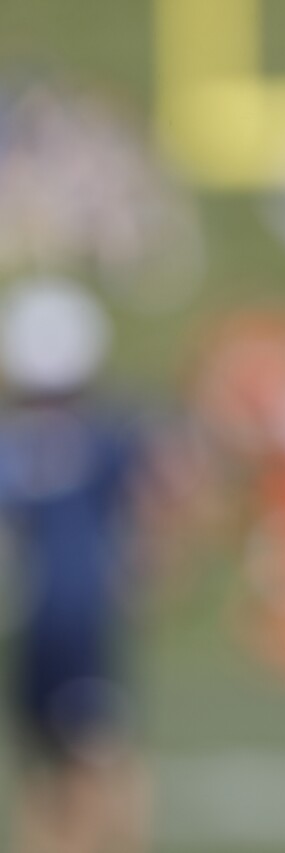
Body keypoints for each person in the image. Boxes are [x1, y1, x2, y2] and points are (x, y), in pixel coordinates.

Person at [0, 277, 150, 853]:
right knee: (98, 754)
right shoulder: (105, 433)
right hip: (82, 611)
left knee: (52, 760)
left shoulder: (20, 439)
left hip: (40, 614)